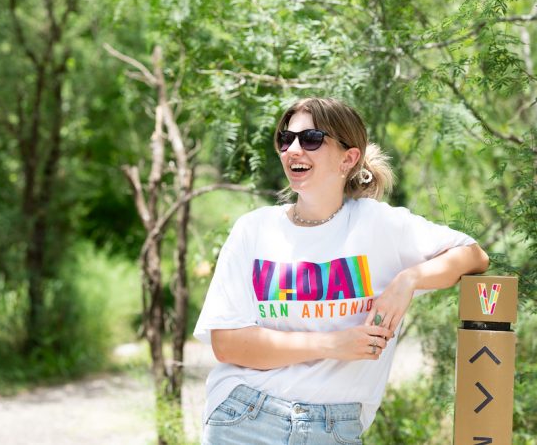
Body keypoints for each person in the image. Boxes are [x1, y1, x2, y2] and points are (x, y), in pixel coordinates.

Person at [194, 97, 489, 445]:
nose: (293, 149)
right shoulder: (254, 229)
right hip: (247, 417)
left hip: (335, 427)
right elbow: (228, 344)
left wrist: (408, 280)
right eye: (285, 140)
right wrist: (333, 344)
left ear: (348, 158)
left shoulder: (377, 224)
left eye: (311, 139)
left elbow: (472, 255)